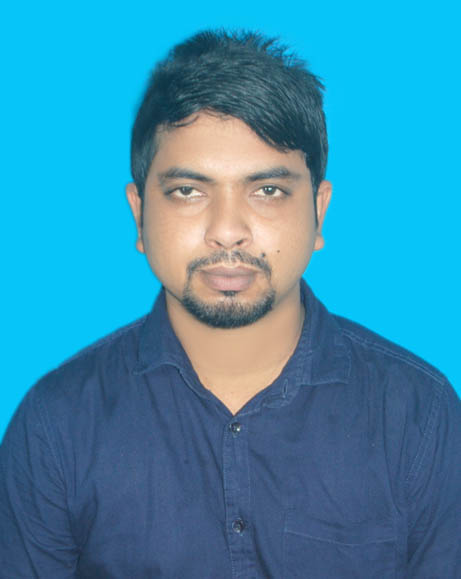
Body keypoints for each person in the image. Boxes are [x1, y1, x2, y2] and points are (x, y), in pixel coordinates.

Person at [1, 29, 460, 578]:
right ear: (139, 214)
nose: (227, 230)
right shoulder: (56, 424)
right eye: (188, 191)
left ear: (319, 210)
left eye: (267, 190)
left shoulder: (418, 415)